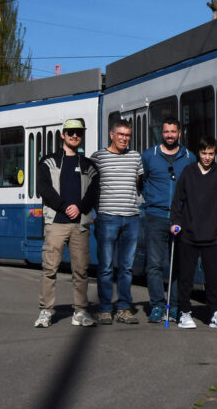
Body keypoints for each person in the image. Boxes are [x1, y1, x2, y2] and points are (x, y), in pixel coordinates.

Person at [34, 118, 100, 328]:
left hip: (80, 224)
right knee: (49, 268)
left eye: (78, 133)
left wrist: (79, 207)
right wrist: (64, 206)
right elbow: (44, 189)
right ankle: (46, 311)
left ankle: (80, 311)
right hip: (56, 223)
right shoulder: (48, 161)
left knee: (81, 270)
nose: (74, 136)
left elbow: (94, 191)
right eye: (70, 132)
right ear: (62, 135)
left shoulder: (89, 165)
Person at [170, 136, 217, 330]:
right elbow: (177, 200)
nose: (207, 157)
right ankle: (185, 312)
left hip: (211, 234)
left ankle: (215, 313)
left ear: (216, 154)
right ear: (199, 152)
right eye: (204, 153)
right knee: (186, 276)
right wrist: (175, 222)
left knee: (213, 277)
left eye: (211, 153)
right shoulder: (188, 172)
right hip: (188, 234)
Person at [140, 117, 195, 323]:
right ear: (160, 133)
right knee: (154, 264)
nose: (170, 135)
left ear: (179, 133)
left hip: (180, 218)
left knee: (177, 264)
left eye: (173, 131)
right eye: (166, 132)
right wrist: (152, 199)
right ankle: (157, 305)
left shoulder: (189, 157)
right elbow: (142, 181)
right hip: (156, 216)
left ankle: (173, 306)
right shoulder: (149, 156)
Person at [91, 119, 144, 325]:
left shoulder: (135, 157)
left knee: (126, 267)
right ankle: (105, 308)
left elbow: (138, 183)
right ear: (112, 135)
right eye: (120, 134)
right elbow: (92, 186)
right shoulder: (98, 157)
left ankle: (123, 308)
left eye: (127, 135)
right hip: (107, 218)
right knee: (105, 266)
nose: (124, 138)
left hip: (131, 218)